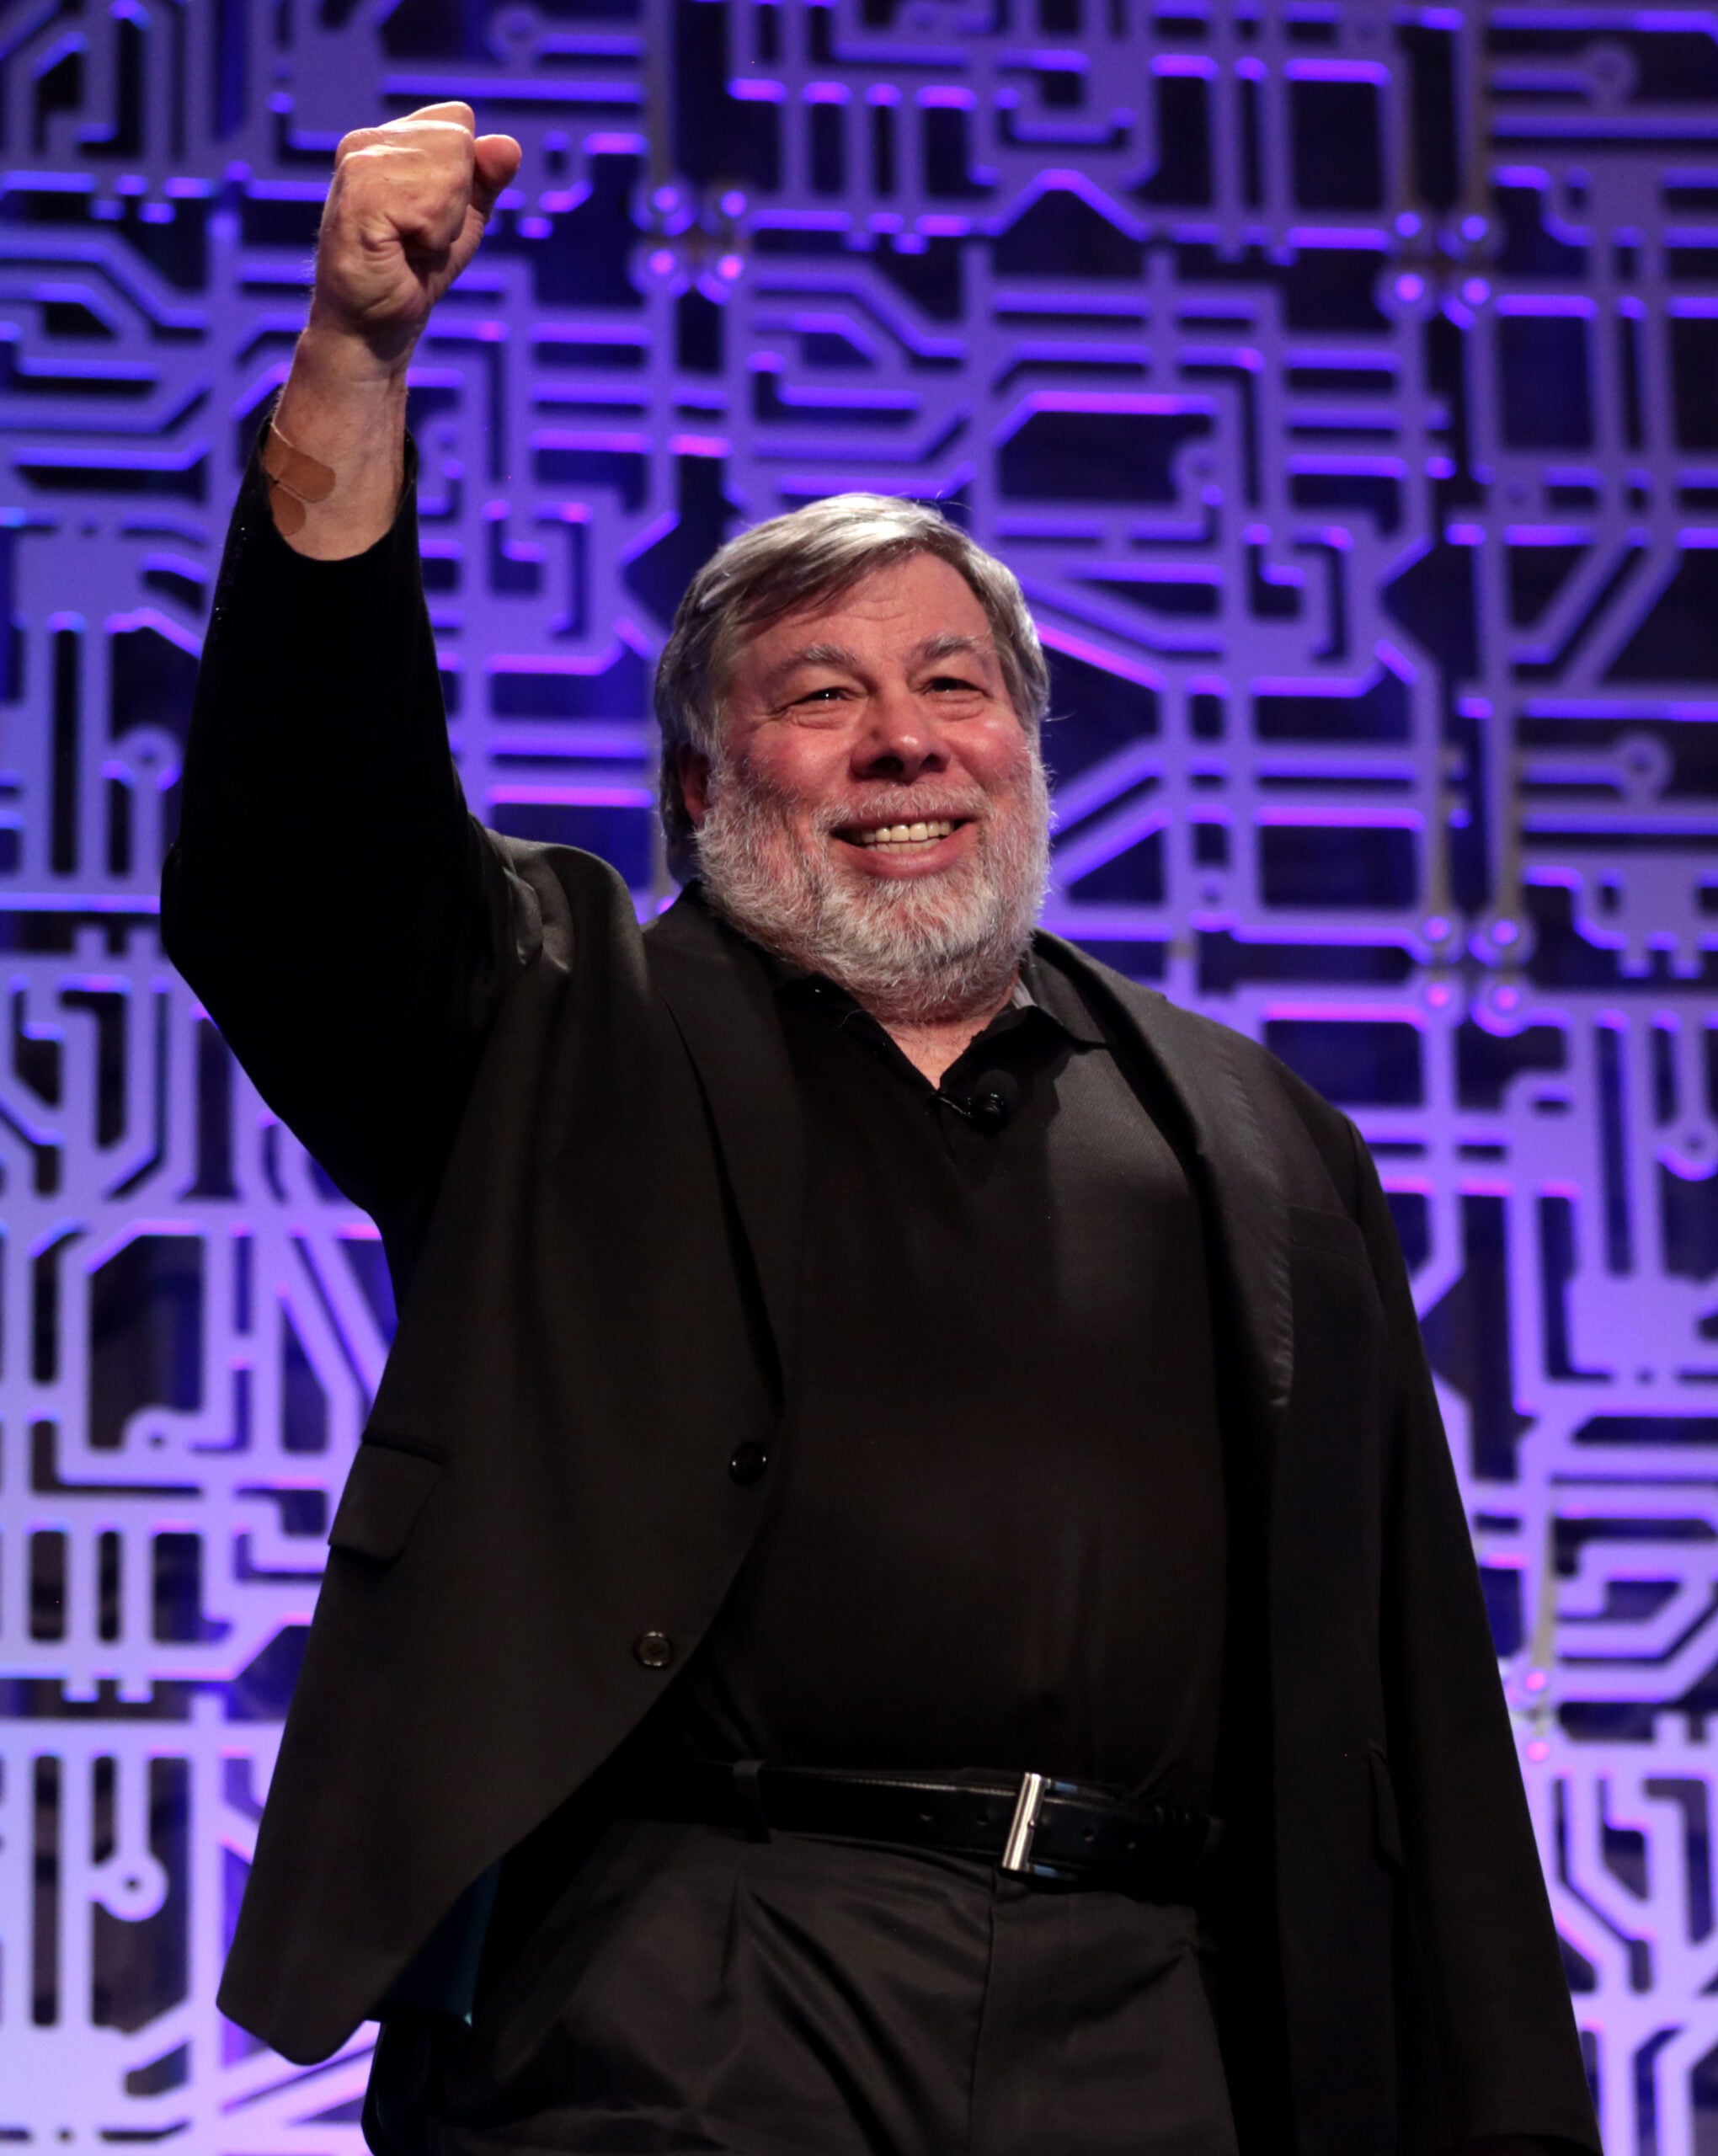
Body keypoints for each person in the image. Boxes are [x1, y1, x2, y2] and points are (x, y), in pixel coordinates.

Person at [163, 102, 1602, 2156]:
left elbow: (1423, 1723)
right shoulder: (561, 1026)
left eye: (955, 682)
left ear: (1027, 746)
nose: (905, 735)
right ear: (698, 783)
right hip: (681, 1986)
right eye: (819, 692)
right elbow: (299, 869)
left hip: (1158, 2016)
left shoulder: (1260, 1137)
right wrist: (351, 369)